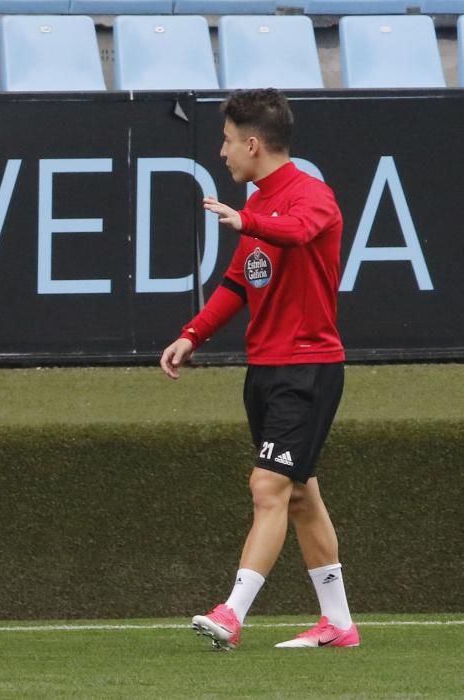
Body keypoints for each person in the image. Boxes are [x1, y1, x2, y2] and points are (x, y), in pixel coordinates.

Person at [159, 88, 358, 651]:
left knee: (268, 486)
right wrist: (191, 334)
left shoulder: (312, 196)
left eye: (225, 141)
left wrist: (244, 219)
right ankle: (338, 623)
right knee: (298, 495)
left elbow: (295, 233)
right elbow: (240, 282)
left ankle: (231, 613)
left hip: (309, 370)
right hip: (265, 371)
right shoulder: (260, 206)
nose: (221, 153)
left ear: (252, 143)